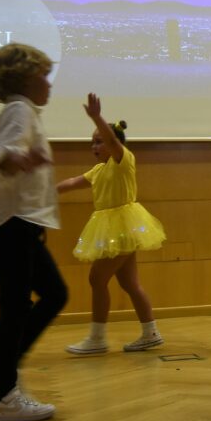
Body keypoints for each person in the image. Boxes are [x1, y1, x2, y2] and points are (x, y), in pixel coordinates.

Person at [0, 43, 68, 421]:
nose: (48, 84)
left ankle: (4, 368)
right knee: (16, 307)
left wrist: (22, 159)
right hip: (13, 224)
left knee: (53, 294)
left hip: (19, 223)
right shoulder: (18, 110)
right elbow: (4, 154)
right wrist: (21, 159)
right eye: (42, 76)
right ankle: (2, 397)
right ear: (22, 79)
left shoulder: (22, 109)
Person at [57, 93, 166, 355]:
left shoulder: (123, 160)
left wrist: (96, 116)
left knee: (97, 278)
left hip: (123, 225)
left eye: (99, 142)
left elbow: (111, 140)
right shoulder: (98, 170)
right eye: (92, 142)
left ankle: (97, 338)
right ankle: (150, 332)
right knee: (129, 283)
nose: (95, 146)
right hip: (116, 229)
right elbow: (70, 183)